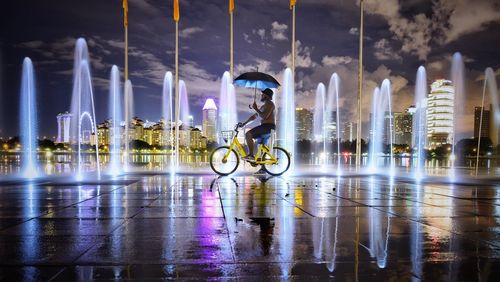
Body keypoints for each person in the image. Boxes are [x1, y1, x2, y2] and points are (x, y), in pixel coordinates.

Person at [238, 88, 276, 163]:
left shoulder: (270, 103)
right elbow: (254, 117)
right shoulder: (263, 106)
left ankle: (251, 155)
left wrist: (256, 108)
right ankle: (263, 169)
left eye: (263, 94)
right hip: (266, 128)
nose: (261, 95)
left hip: (267, 127)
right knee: (261, 148)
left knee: (248, 134)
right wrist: (244, 124)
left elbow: (264, 116)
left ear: (267, 96)